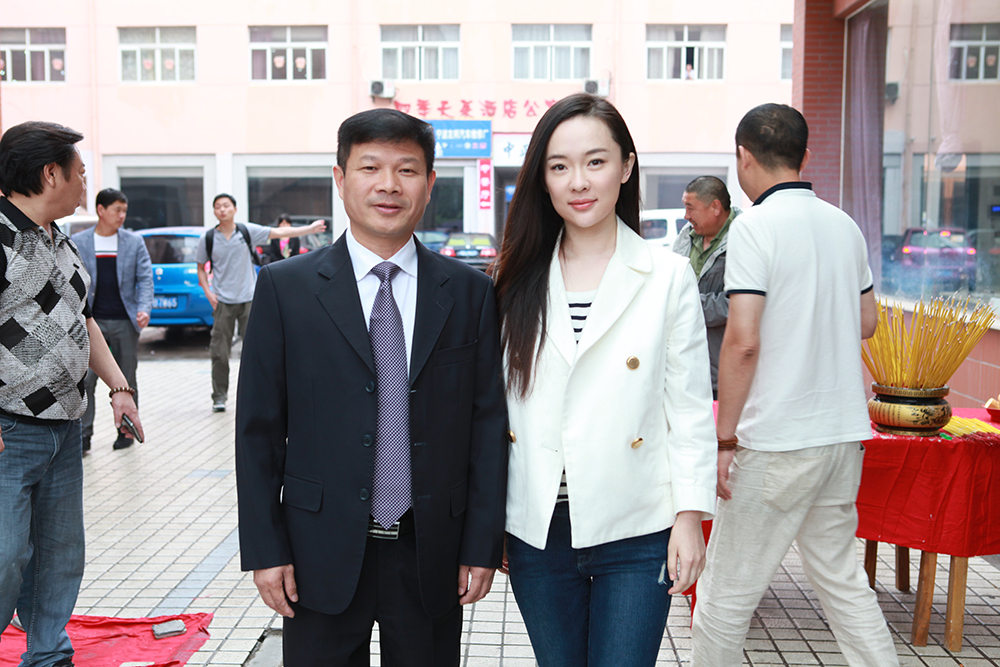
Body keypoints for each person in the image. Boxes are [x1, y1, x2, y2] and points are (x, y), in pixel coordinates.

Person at [235, 108, 509, 667]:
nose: (388, 185)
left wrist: (482, 544)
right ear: (340, 179)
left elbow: (487, 427)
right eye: (370, 167)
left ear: (430, 183)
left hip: (432, 551)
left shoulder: (470, 292)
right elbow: (258, 430)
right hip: (317, 551)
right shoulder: (286, 289)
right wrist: (265, 550)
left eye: (407, 170)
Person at [494, 93, 717, 667]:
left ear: (625, 166)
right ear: (542, 179)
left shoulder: (667, 276)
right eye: (559, 166)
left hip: (637, 523)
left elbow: (689, 408)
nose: (579, 181)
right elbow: (492, 413)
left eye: (595, 161)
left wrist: (689, 518)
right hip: (539, 529)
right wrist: (490, 520)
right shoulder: (513, 280)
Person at [690, 103, 898, 666]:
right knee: (844, 584)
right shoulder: (844, 224)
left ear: (743, 156)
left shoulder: (755, 226)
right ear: (804, 155)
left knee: (723, 598)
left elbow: (742, 342)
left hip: (776, 440)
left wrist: (725, 440)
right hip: (841, 436)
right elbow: (868, 322)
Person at [0, 121, 143, 667]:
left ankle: (48, 653)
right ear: (50, 173)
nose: (86, 183)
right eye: (80, 172)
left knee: (60, 556)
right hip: (9, 429)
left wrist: (119, 388)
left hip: (63, 426)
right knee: (5, 556)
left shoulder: (58, 238)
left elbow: (81, 321)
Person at [195, 194, 325, 412]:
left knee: (256, 352)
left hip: (249, 300)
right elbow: (200, 267)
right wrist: (208, 293)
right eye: (218, 207)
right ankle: (219, 396)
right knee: (219, 353)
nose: (222, 210)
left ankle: (256, 395)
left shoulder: (246, 231)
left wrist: (309, 229)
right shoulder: (207, 238)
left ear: (235, 209)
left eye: (226, 205)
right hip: (223, 302)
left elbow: (279, 232)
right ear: (214, 211)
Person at [73, 188, 153, 451]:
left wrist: (144, 309)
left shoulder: (134, 242)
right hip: (91, 322)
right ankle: (84, 435)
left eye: (124, 211)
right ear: (101, 210)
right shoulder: (79, 241)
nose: (122, 216)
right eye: (117, 210)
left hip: (124, 322)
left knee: (126, 380)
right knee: (86, 380)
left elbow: (145, 279)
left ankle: (126, 432)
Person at [672, 175, 741, 399]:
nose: (686, 216)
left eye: (690, 208)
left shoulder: (744, 238)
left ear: (715, 207)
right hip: (685, 366)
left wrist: (688, 304)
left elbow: (738, 304)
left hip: (723, 371)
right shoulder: (687, 235)